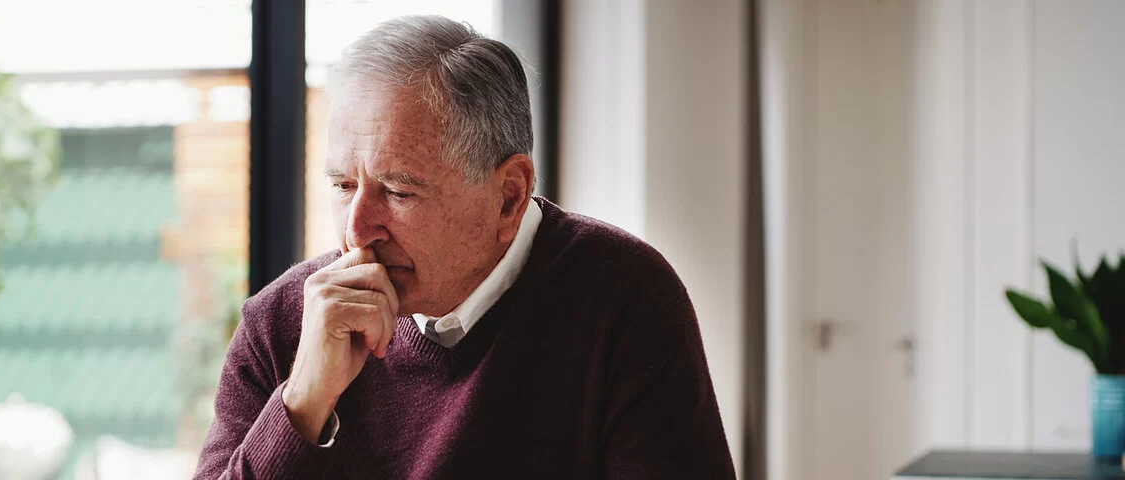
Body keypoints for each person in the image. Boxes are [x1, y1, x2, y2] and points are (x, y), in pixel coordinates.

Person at [193, 15, 734, 479]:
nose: (356, 231)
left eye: (400, 190)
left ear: (508, 196)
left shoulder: (626, 301)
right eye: (343, 186)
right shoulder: (282, 324)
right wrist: (302, 402)